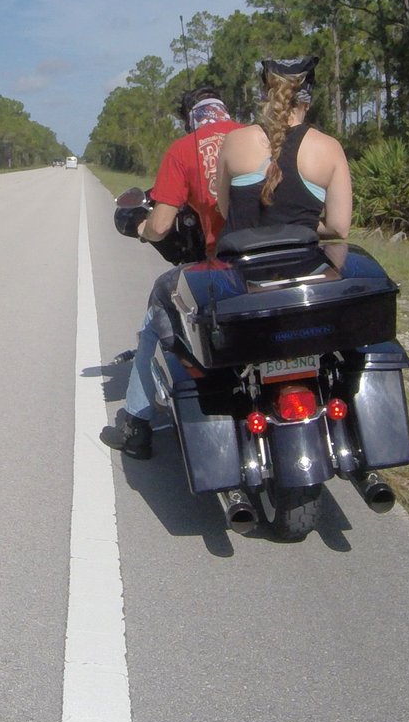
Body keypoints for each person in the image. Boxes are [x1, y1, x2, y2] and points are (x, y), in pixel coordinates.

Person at [101, 86, 244, 460]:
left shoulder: (184, 149)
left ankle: (136, 425)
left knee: (157, 311)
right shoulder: (257, 138)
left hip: (222, 266)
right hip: (273, 262)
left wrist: (140, 230)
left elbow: (161, 226)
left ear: (188, 117)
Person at [216, 56, 353, 238]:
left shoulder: (235, 140)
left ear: (268, 96)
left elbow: (227, 211)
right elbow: (339, 228)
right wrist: (303, 224)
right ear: (307, 103)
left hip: (240, 262)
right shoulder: (329, 148)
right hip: (301, 264)